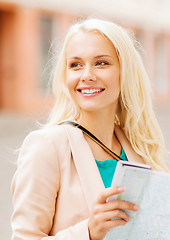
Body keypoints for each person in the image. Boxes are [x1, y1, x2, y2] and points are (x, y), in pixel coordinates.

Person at [11, 18, 169, 240]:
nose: (86, 75)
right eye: (75, 64)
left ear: (125, 72)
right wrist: (88, 232)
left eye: (101, 63)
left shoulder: (139, 147)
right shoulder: (46, 147)